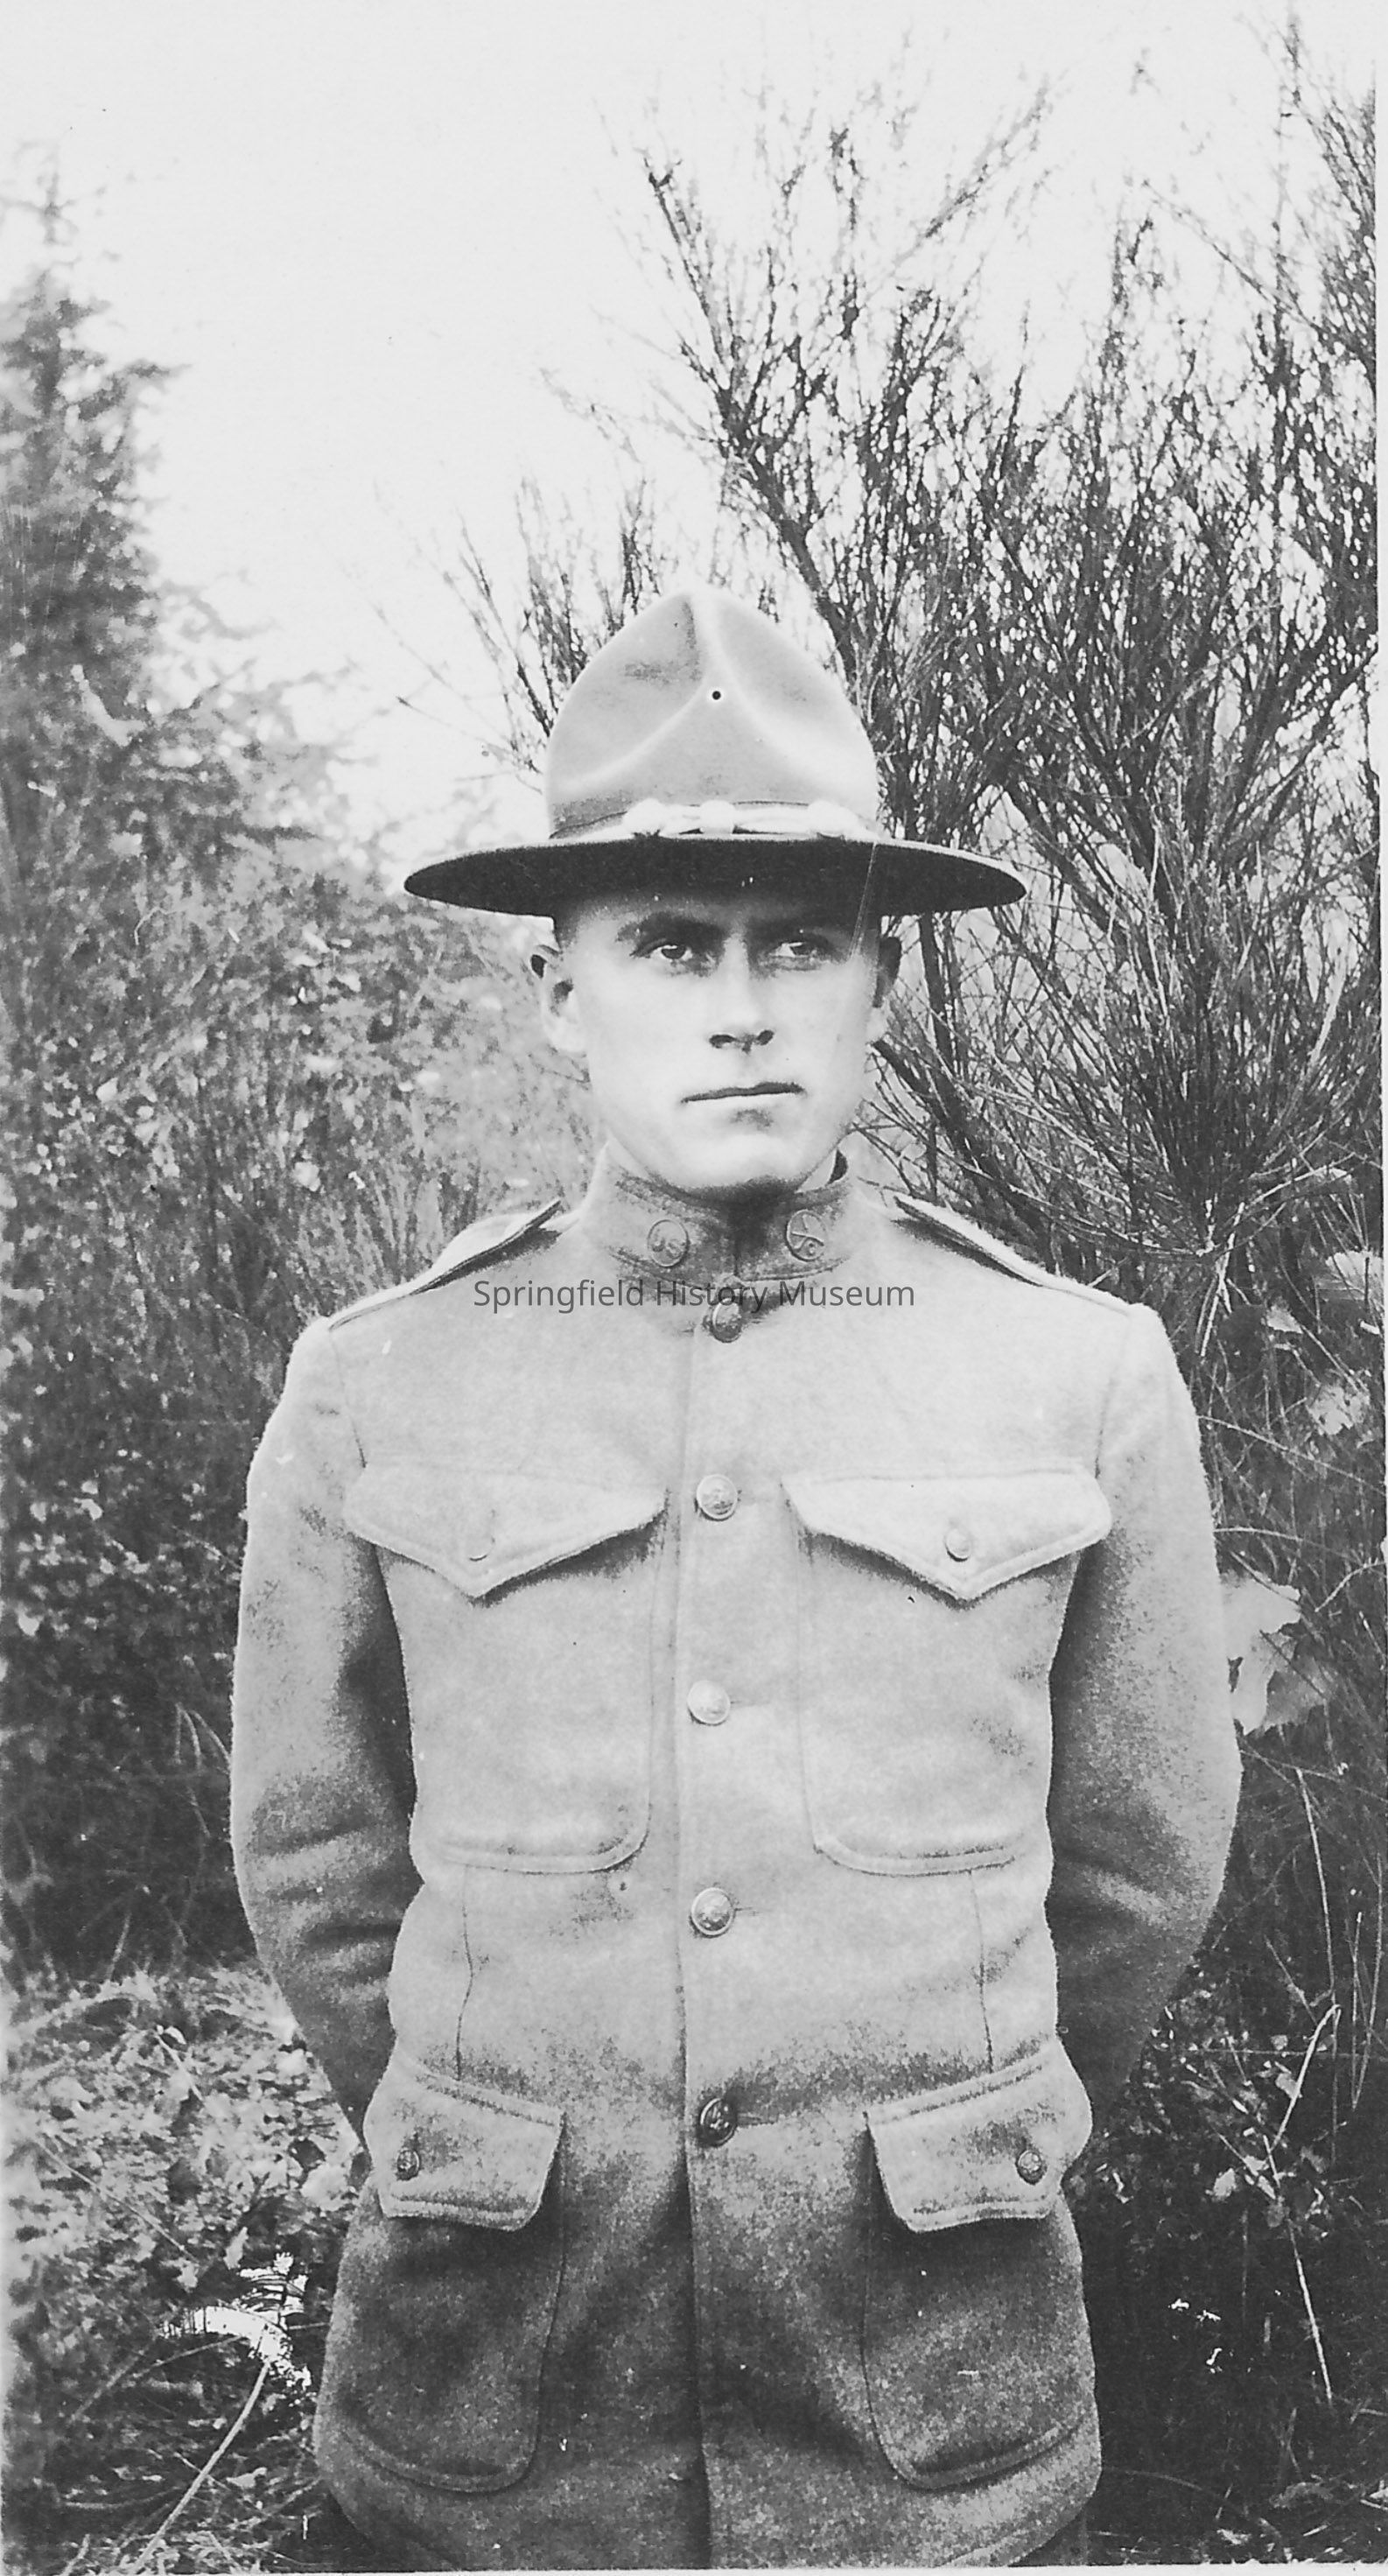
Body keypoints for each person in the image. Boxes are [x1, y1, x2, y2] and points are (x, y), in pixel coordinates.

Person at [231, 586, 1241, 2569]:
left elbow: (1137, 1861)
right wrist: (488, 2134)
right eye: (671, 943)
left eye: (800, 941)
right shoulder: (380, 1379)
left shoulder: (1076, 1371)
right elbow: (316, 1854)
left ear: (883, 981)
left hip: (925, 2414)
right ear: (561, 991)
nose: (743, 1003)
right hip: (493, 2404)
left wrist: (966, 2131)